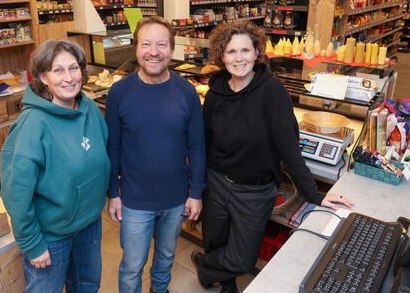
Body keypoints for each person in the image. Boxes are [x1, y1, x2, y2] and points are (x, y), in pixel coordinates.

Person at [191, 20, 354, 293]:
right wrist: (198, 185)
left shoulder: (272, 91)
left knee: (243, 258)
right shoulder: (216, 92)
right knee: (215, 240)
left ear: (257, 53)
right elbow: (206, 141)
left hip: (255, 190)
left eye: (246, 50)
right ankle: (226, 283)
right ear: (221, 55)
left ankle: (206, 267)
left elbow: (289, 148)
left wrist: (315, 194)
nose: (239, 58)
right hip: (217, 182)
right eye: (231, 52)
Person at [0, 39, 111, 293]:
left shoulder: (90, 110)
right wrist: (32, 243)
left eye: (74, 68)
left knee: (86, 287)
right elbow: (16, 194)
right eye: (58, 70)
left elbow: (102, 157)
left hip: (89, 225)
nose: (69, 77)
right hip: (51, 237)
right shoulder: (32, 125)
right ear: (42, 77)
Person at [105, 16, 206, 293]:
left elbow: (197, 146)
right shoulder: (119, 93)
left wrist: (195, 192)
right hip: (134, 200)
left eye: (161, 44)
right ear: (135, 48)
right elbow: (112, 147)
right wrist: (113, 192)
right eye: (146, 44)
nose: (154, 51)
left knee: (165, 258)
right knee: (132, 267)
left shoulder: (187, 92)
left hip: (175, 200)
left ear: (171, 49)